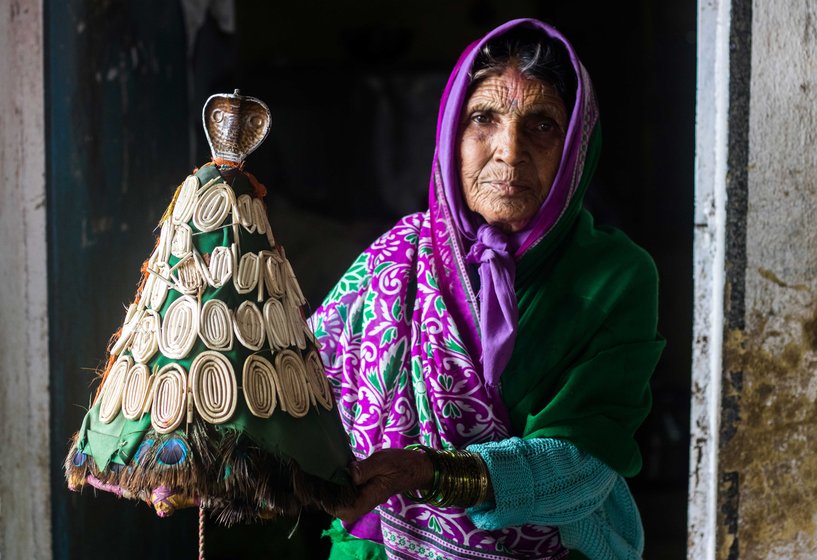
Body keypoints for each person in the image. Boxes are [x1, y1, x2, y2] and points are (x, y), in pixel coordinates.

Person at [309, 18, 665, 560]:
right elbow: (302, 383)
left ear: (575, 147)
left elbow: (586, 466)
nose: (509, 151)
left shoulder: (616, 277)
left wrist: (429, 471)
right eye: (483, 119)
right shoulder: (398, 258)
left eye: (542, 125)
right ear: (452, 134)